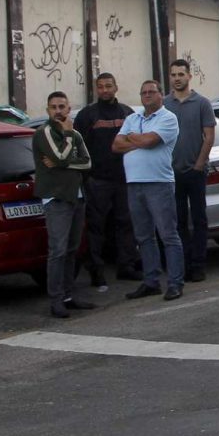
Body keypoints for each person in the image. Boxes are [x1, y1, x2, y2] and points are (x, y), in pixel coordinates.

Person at [113, 79, 185, 302]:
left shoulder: (168, 118)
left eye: (151, 92)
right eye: (143, 92)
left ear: (160, 95)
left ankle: (175, 283)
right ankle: (151, 281)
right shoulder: (132, 118)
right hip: (134, 183)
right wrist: (139, 140)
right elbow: (116, 146)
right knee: (144, 236)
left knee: (168, 234)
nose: (147, 95)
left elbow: (151, 141)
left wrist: (133, 139)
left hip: (159, 183)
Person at [74, 72, 140, 288]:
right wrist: (86, 177)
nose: (105, 90)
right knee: (96, 227)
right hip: (97, 180)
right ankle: (96, 270)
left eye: (108, 86)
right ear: (96, 89)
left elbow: (136, 141)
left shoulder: (127, 113)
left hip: (124, 179)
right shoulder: (87, 115)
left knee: (126, 224)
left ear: (116, 87)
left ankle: (126, 267)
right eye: (101, 87)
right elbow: (78, 147)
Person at [33, 90, 96, 319]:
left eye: (62, 107)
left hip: (76, 197)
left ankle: (69, 295)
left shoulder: (75, 134)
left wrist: (64, 163)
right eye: (54, 107)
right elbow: (59, 157)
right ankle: (56, 299)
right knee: (57, 251)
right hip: (57, 199)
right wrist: (67, 146)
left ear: (69, 109)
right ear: (48, 110)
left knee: (72, 249)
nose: (58, 111)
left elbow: (87, 163)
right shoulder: (44, 133)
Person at [164, 59, 215, 283]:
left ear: (189, 76)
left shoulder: (202, 103)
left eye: (181, 74)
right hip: (171, 174)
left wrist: (198, 165)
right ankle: (182, 265)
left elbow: (209, 136)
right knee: (178, 221)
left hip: (195, 172)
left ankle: (198, 265)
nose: (177, 78)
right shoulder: (164, 104)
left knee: (199, 219)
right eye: (173, 75)